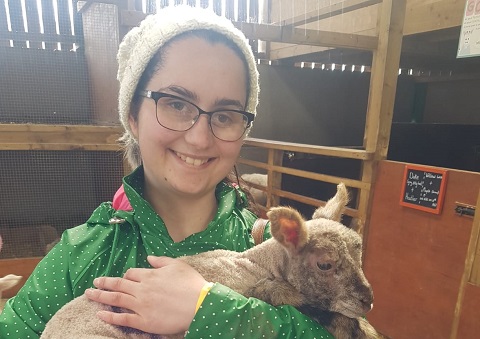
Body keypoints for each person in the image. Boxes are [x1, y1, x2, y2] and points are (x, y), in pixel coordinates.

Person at [0, 5, 333, 338]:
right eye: (176, 104)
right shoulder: (82, 257)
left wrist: (218, 311)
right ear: (132, 114)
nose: (200, 138)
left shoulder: (275, 250)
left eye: (225, 114)